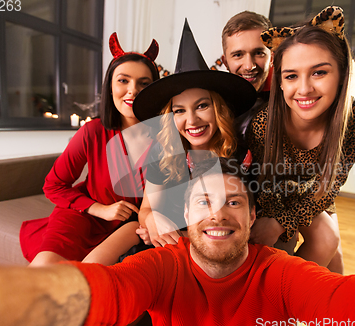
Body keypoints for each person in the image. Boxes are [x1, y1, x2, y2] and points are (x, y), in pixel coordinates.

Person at [0, 157, 355, 326]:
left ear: (252, 217)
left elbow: (349, 304)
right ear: (185, 216)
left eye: (232, 203)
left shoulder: (280, 272)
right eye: (203, 202)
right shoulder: (163, 264)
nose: (218, 212)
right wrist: (1, 301)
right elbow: (105, 293)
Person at [90, 20, 256, 254]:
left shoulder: (239, 155)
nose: (192, 120)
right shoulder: (165, 150)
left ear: (218, 108)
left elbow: (236, 221)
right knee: (95, 269)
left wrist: (179, 234)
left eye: (201, 106)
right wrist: (152, 220)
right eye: (179, 111)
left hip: (207, 247)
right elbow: (146, 208)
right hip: (159, 242)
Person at [247, 6, 355, 274]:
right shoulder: (264, 123)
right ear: (280, 81)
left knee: (331, 249)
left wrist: (282, 222)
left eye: (319, 72)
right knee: (300, 243)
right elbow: (261, 183)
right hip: (271, 192)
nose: (304, 89)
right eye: (291, 75)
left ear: (341, 75)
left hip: (315, 189)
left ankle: (291, 306)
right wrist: (279, 223)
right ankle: (274, 303)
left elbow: (330, 184)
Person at [19, 33, 160, 266]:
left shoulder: (165, 137)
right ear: (110, 85)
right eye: (123, 80)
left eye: (144, 83)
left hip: (131, 229)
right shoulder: (92, 132)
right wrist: (99, 209)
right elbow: (53, 185)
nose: (133, 90)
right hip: (85, 215)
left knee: (87, 282)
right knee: (43, 268)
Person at [221, 10, 272, 143]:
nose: (249, 66)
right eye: (238, 55)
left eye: (259, 53)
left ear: (272, 57)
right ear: (225, 62)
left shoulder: (291, 105)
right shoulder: (212, 107)